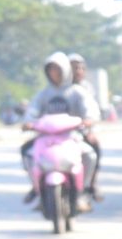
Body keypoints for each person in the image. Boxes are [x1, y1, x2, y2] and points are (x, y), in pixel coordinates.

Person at [22, 53, 93, 204]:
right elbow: (33, 112)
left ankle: (84, 188)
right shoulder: (43, 94)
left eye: (58, 69)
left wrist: (88, 120)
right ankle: (37, 187)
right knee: (27, 153)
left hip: (72, 136)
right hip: (46, 137)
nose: (54, 73)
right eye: (51, 69)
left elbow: (89, 110)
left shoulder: (76, 92)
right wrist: (29, 122)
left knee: (90, 155)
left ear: (66, 70)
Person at [66, 53, 106, 199]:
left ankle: (91, 183)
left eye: (79, 68)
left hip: (80, 130)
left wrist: (89, 127)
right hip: (57, 132)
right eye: (72, 68)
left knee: (93, 146)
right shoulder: (57, 88)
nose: (77, 71)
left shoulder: (86, 89)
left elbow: (92, 111)